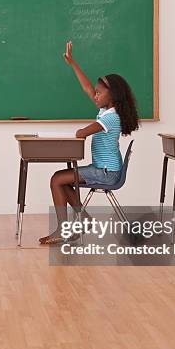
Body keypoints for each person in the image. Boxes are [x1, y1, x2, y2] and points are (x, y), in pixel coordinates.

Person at [41, 41, 139, 245]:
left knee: (57, 179)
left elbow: (82, 133)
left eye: (99, 93)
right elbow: (87, 87)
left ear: (112, 96)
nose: (94, 95)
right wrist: (72, 63)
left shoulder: (110, 118)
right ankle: (83, 219)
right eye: (96, 92)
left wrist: (80, 131)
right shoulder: (107, 111)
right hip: (102, 169)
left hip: (106, 172)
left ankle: (64, 229)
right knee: (61, 179)